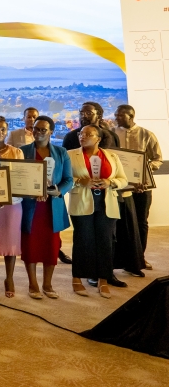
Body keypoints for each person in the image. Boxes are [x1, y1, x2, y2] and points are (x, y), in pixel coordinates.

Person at [69, 125, 127, 298]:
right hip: (82, 202)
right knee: (83, 240)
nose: (83, 136)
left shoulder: (111, 156)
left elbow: (123, 180)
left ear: (98, 138)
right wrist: (80, 181)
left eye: (88, 134)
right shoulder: (70, 155)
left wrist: (110, 183)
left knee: (105, 241)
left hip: (107, 203)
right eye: (81, 134)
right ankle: (77, 278)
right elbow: (63, 178)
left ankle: (103, 280)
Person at [19, 115, 73, 299]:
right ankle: (32, 284)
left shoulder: (61, 152)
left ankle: (47, 284)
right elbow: (17, 179)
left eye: (43, 129)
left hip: (52, 207)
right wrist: (31, 191)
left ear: (51, 131)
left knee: (51, 247)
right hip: (30, 207)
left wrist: (57, 191)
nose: (39, 132)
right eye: (36, 129)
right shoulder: (22, 151)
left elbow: (69, 180)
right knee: (30, 246)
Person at [114, 104, 161, 269]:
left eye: (120, 115)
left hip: (142, 187)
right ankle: (124, 258)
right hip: (120, 187)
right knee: (122, 223)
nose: (116, 117)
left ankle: (140, 257)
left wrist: (145, 169)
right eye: (116, 115)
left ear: (131, 116)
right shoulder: (112, 134)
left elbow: (157, 159)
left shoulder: (147, 134)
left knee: (141, 221)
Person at [0, 115, 25, 299]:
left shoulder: (16, 152)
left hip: (12, 204)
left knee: (11, 242)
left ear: (7, 130)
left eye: (3, 129)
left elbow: (20, 179)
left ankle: (9, 278)